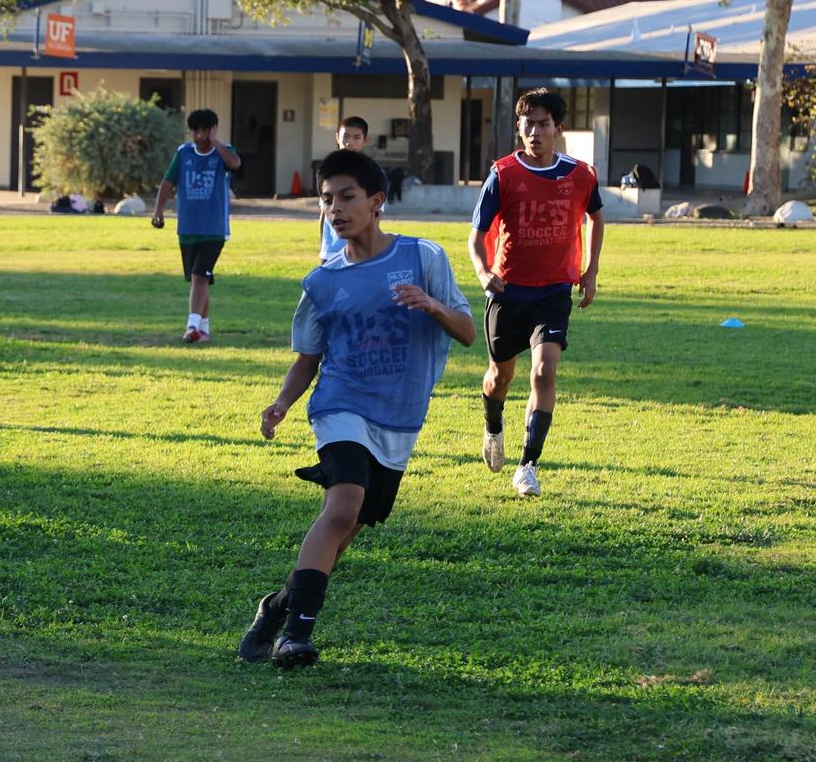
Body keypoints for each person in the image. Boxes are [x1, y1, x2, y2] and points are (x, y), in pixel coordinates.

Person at [237, 148, 474, 670]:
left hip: (400, 415)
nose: (336, 209)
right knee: (341, 506)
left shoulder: (423, 257)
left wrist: (432, 305)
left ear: (377, 201)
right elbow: (309, 358)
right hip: (339, 404)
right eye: (326, 201)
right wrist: (281, 402)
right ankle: (296, 637)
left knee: (346, 531)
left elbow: (468, 332)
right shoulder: (322, 281)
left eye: (347, 197)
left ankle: (277, 608)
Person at [468, 88, 603, 497]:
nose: (535, 132)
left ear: (558, 129)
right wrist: (483, 272)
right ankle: (493, 425)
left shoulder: (580, 175)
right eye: (528, 125)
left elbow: (597, 217)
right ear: (519, 128)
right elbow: (475, 237)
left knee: (544, 371)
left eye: (543, 124)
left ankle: (527, 465)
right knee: (499, 377)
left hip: (554, 291)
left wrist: (591, 271)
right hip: (507, 290)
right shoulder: (503, 174)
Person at [152, 108, 241, 343]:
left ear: (212, 130)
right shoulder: (183, 153)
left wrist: (216, 143)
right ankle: (205, 331)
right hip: (187, 228)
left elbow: (235, 165)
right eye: (195, 131)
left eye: (204, 131)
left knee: (199, 275)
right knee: (198, 278)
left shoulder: (224, 153)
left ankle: (191, 327)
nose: (199, 136)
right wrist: (158, 211)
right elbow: (167, 183)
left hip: (214, 229)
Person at [319, 115, 373, 262]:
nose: (350, 143)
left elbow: (375, 216)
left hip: (358, 252)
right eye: (346, 137)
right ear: (337, 138)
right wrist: (323, 249)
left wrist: (369, 248)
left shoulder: (371, 174)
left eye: (357, 138)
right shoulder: (328, 173)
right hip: (331, 252)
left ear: (365, 141)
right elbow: (324, 214)